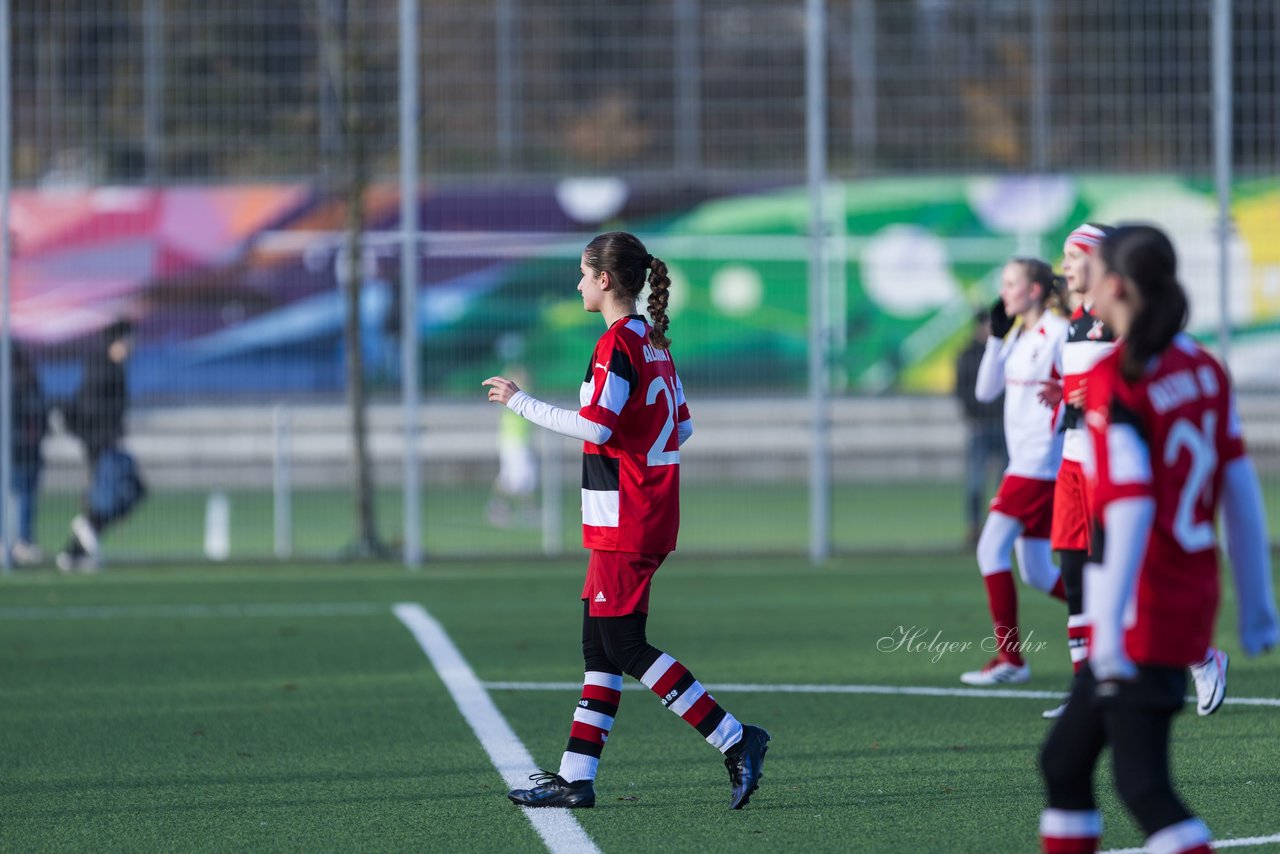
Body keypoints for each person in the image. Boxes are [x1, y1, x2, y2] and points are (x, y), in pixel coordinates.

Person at [482, 231, 770, 810]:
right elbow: (681, 428)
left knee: (624, 644)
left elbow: (597, 428)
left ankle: (735, 737)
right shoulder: (652, 341)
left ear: (606, 280)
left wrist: (520, 401)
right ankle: (576, 777)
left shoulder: (618, 344)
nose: (579, 283)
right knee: (599, 647)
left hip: (628, 515)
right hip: (638, 510)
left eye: (584, 274)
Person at [1038, 224, 1278, 854]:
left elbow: (1133, 510)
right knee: (1064, 765)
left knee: (1142, 786)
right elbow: (1241, 489)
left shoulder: (1122, 375)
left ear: (1114, 284)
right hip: (1186, 592)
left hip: (1141, 606)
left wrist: (1110, 630)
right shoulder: (1202, 366)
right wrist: (1257, 603)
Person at [1039, 224, 1229, 721]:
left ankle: (1203, 657)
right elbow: (1081, 393)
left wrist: (1100, 397)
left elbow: (1142, 378)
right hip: (1072, 467)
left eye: (1073, 256)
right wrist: (1066, 401)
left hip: (1113, 472)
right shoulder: (1075, 323)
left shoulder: (1122, 320)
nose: (1065, 266)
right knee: (1075, 579)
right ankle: (1085, 688)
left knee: (1132, 574)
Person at [961, 257, 1069, 686]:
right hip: (1024, 461)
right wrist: (995, 339)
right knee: (1039, 572)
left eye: (1011, 284)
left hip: (1040, 463)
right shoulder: (1017, 336)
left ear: (1036, 290)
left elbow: (1087, 383)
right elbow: (985, 390)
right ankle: (1118, 615)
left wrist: (1064, 401)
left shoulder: (1059, 333)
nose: (1003, 292)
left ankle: (1011, 659)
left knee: (990, 550)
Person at [55, 319, 147, 572]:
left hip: (107, 442)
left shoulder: (114, 368)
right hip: (101, 445)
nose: (134, 345)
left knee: (118, 495)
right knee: (116, 495)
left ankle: (72, 553)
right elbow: (90, 409)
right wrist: (99, 440)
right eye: (130, 339)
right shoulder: (102, 368)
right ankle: (81, 539)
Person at [955, 309, 1007, 546]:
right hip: (981, 426)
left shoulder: (1004, 351)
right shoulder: (967, 355)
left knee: (1005, 484)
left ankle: (1003, 529)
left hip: (1003, 425)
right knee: (976, 481)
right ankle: (974, 528)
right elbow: (962, 390)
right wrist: (971, 416)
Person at [7, 342, 47, 565]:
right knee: (25, 497)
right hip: (26, 451)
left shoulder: (17, 384)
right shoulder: (29, 382)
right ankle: (22, 541)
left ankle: (18, 541)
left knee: (21, 497)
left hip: (18, 451)